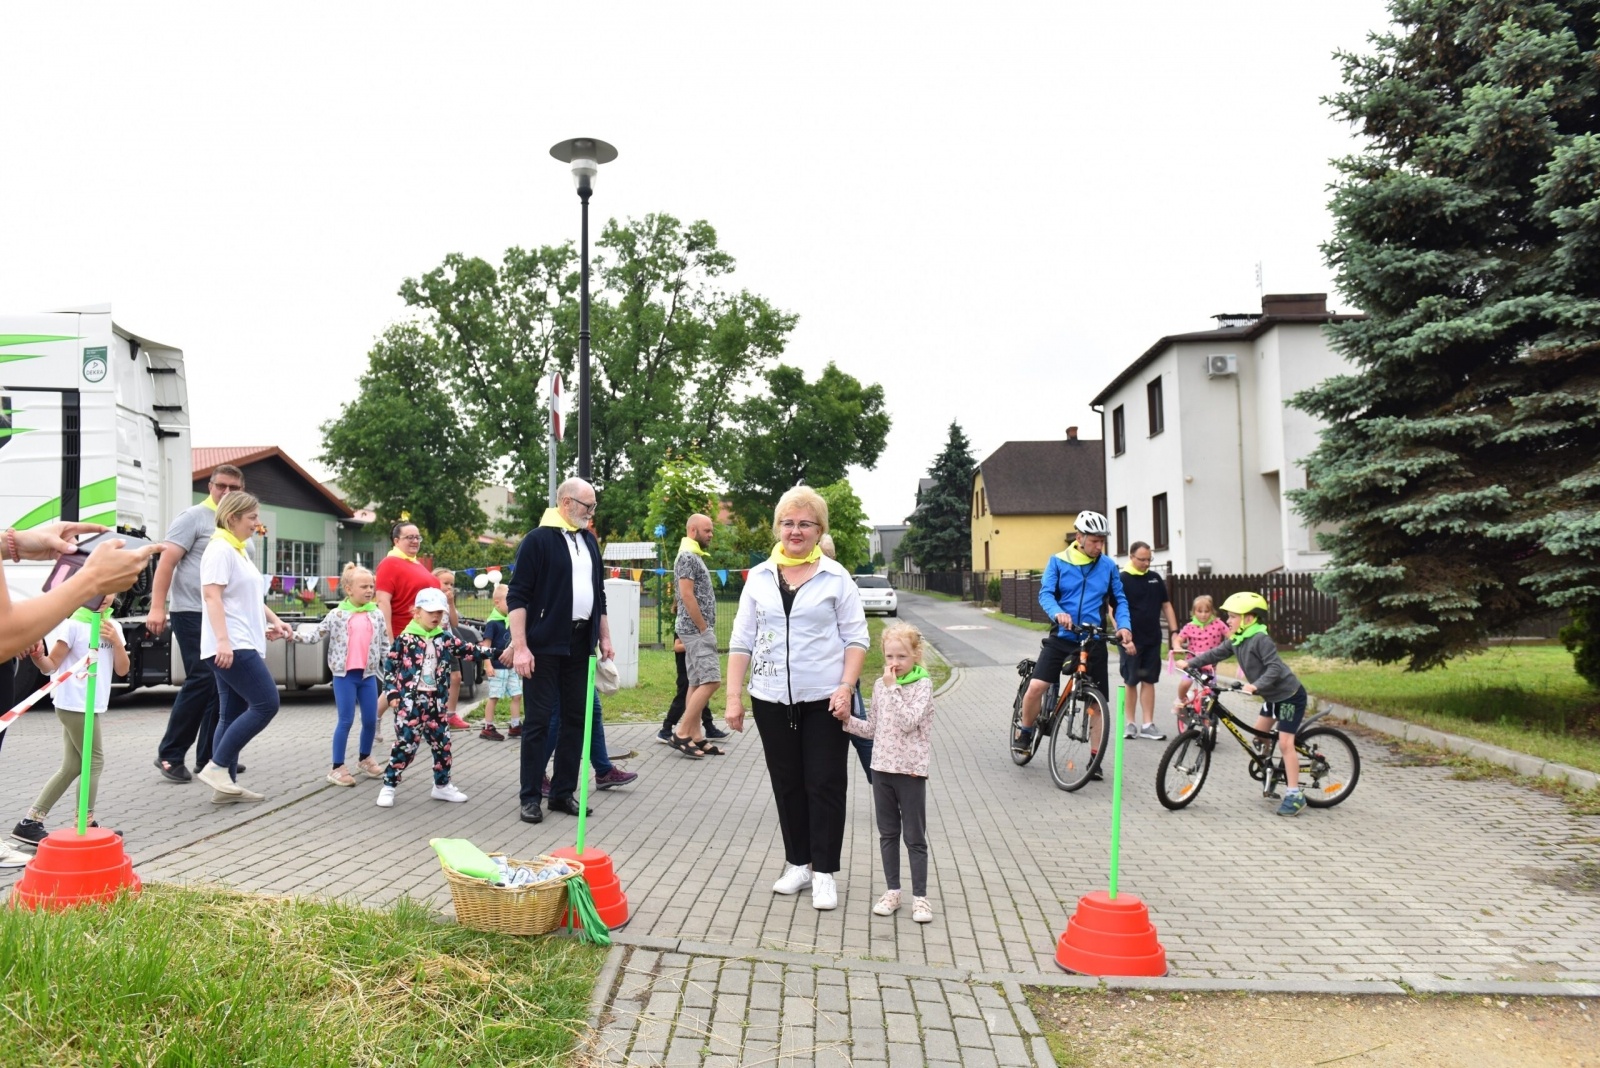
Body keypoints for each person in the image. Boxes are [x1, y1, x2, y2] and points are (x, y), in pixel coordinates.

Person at [726, 486, 869, 911]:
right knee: (787, 783)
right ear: (778, 527)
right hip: (770, 699)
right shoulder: (761, 577)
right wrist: (734, 697)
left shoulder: (836, 577)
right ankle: (798, 863)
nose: (795, 531)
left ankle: (825, 872)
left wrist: (845, 686)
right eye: (788, 523)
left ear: (819, 529)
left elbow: (856, 638)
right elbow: (741, 640)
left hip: (825, 699)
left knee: (824, 783)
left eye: (805, 523)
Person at [506, 478, 614, 824]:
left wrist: (605, 637)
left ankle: (563, 792)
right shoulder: (537, 541)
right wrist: (520, 647)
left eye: (593, 506)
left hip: (580, 643)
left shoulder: (588, 541)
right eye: (588, 506)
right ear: (566, 503)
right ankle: (531, 796)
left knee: (576, 720)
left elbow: (600, 595)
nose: (591, 513)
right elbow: (517, 597)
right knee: (538, 721)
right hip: (543, 645)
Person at [148, 464, 247, 782]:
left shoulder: (239, 525)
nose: (227, 492)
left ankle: (212, 755)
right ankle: (170, 754)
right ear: (210, 486)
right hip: (191, 611)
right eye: (222, 486)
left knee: (225, 684)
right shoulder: (193, 518)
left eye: (234, 487)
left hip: (223, 617)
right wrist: (157, 607)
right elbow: (167, 562)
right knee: (203, 676)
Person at [195, 492, 294, 804]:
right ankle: (217, 767)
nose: (256, 523)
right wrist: (223, 641)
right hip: (231, 644)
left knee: (231, 713)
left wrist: (275, 621)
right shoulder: (219, 549)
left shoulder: (238, 550)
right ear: (233, 517)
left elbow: (250, 597)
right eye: (252, 517)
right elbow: (212, 596)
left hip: (241, 640)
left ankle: (226, 788)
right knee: (266, 703)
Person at [1013, 511, 1134, 761]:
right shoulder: (1058, 561)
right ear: (1079, 536)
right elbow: (1046, 594)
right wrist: (1058, 613)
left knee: (1097, 703)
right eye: (1094, 540)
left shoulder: (1108, 566)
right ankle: (1025, 732)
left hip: (1093, 640)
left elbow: (1119, 600)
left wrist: (1124, 626)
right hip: (1062, 636)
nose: (1099, 546)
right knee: (1037, 687)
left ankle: (1094, 759)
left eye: (1102, 540)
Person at [10, 594, 130, 846]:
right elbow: (50, 665)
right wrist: (37, 656)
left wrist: (117, 643)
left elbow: (123, 670)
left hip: (92, 704)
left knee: (72, 766)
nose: (106, 597)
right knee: (95, 762)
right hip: (73, 704)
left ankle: (29, 823)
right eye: (101, 590)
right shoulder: (73, 624)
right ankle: (85, 823)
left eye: (111, 591)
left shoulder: (113, 626)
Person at [837, 623, 937, 924]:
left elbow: (908, 722)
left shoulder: (922, 686)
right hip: (881, 768)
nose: (894, 663)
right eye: (889, 656)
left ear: (916, 655)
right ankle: (893, 891)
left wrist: (893, 688)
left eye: (902, 657)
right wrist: (847, 720)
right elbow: (872, 729)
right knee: (888, 833)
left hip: (909, 771)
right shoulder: (881, 686)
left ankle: (920, 898)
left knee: (914, 837)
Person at [1178, 591, 1311, 816]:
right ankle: (1271, 772)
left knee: (1285, 743)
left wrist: (1254, 686)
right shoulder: (1238, 639)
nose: (1227, 621)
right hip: (1271, 698)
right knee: (1259, 736)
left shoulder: (1261, 639)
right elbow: (1215, 653)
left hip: (1289, 696)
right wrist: (1190, 663)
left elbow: (1275, 668)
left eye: (1232, 616)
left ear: (1248, 619)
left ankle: (1294, 794)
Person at [375, 587, 492, 808]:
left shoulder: (444, 638)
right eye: (430, 612)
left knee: (443, 745)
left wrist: (499, 653)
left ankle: (442, 786)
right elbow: (390, 667)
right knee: (405, 746)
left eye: (440, 612)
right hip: (410, 705)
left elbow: (470, 651)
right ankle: (389, 786)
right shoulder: (405, 639)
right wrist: (391, 693)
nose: (436, 616)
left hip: (436, 704)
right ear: (416, 612)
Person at [0, 520, 157, 661]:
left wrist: (11, 544)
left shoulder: (113, 627)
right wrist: (91, 581)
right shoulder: (73, 626)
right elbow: (5, 635)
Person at [294, 563, 389, 785]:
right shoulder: (337, 615)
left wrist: (394, 665)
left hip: (368, 676)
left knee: (369, 719)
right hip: (344, 676)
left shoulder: (376, 614)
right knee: (345, 720)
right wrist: (291, 635)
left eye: (371, 586)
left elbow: (384, 645)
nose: (369, 590)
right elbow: (315, 635)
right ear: (348, 589)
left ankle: (365, 758)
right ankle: (337, 767)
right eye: (363, 586)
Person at [666, 513, 725, 759]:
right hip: (695, 631)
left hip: (692, 629)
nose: (711, 534)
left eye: (711, 530)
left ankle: (697, 735)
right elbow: (687, 595)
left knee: (696, 682)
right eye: (707, 530)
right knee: (712, 681)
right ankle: (681, 733)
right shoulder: (688, 556)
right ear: (693, 530)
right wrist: (703, 628)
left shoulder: (692, 555)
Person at [818, 532, 872, 782]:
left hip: (845, 679)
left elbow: (855, 635)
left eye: (829, 555)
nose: (827, 559)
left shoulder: (840, 581)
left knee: (861, 734)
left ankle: (886, 788)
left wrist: (848, 682)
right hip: (817, 684)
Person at [1120, 542, 1178, 741]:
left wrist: (1174, 632)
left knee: (1149, 680)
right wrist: (1123, 635)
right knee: (1131, 680)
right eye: (1142, 559)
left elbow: (1166, 605)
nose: (1146, 563)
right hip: (1131, 640)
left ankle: (1147, 724)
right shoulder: (1122, 579)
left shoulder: (1154, 579)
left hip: (1152, 638)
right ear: (1131, 557)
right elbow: (1113, 609)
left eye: (1149, 560)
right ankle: (1129, 723)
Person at [1171, 595, 1230, 717]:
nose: (1203, 615)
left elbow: (1231, 636)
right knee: (1185, 683)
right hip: (1192, 663)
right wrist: (1177, 646)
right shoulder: (1190, 626)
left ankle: (1210, 719)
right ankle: (1180, 699)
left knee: (1211, 692)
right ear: (1193, 612)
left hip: (1210, 665)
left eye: (1206, 611)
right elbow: (1178, 639)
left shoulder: (1218, 624)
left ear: (1212, 611)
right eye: (1199, 611)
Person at [478, 583, 522, 740]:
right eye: (509, 601)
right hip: (497, 668)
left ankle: (515, 725)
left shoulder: (511, 620)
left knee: (517, 694)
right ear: (497, 602)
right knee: (494, 697)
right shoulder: (493, 623)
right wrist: (487, 664)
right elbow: (486, 646)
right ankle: (488, 727)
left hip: (511, 667)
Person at [432, 566, 471, 731]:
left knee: (456, 677)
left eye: (451, 584)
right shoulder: (431, 601)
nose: (449, 587)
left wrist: (451, 603)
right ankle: (433, 715)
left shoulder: (448, 601)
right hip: (434, 645)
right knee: (435, 681)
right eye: (445, 583)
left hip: (448, 643)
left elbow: (454, 623)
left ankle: (451, 714)